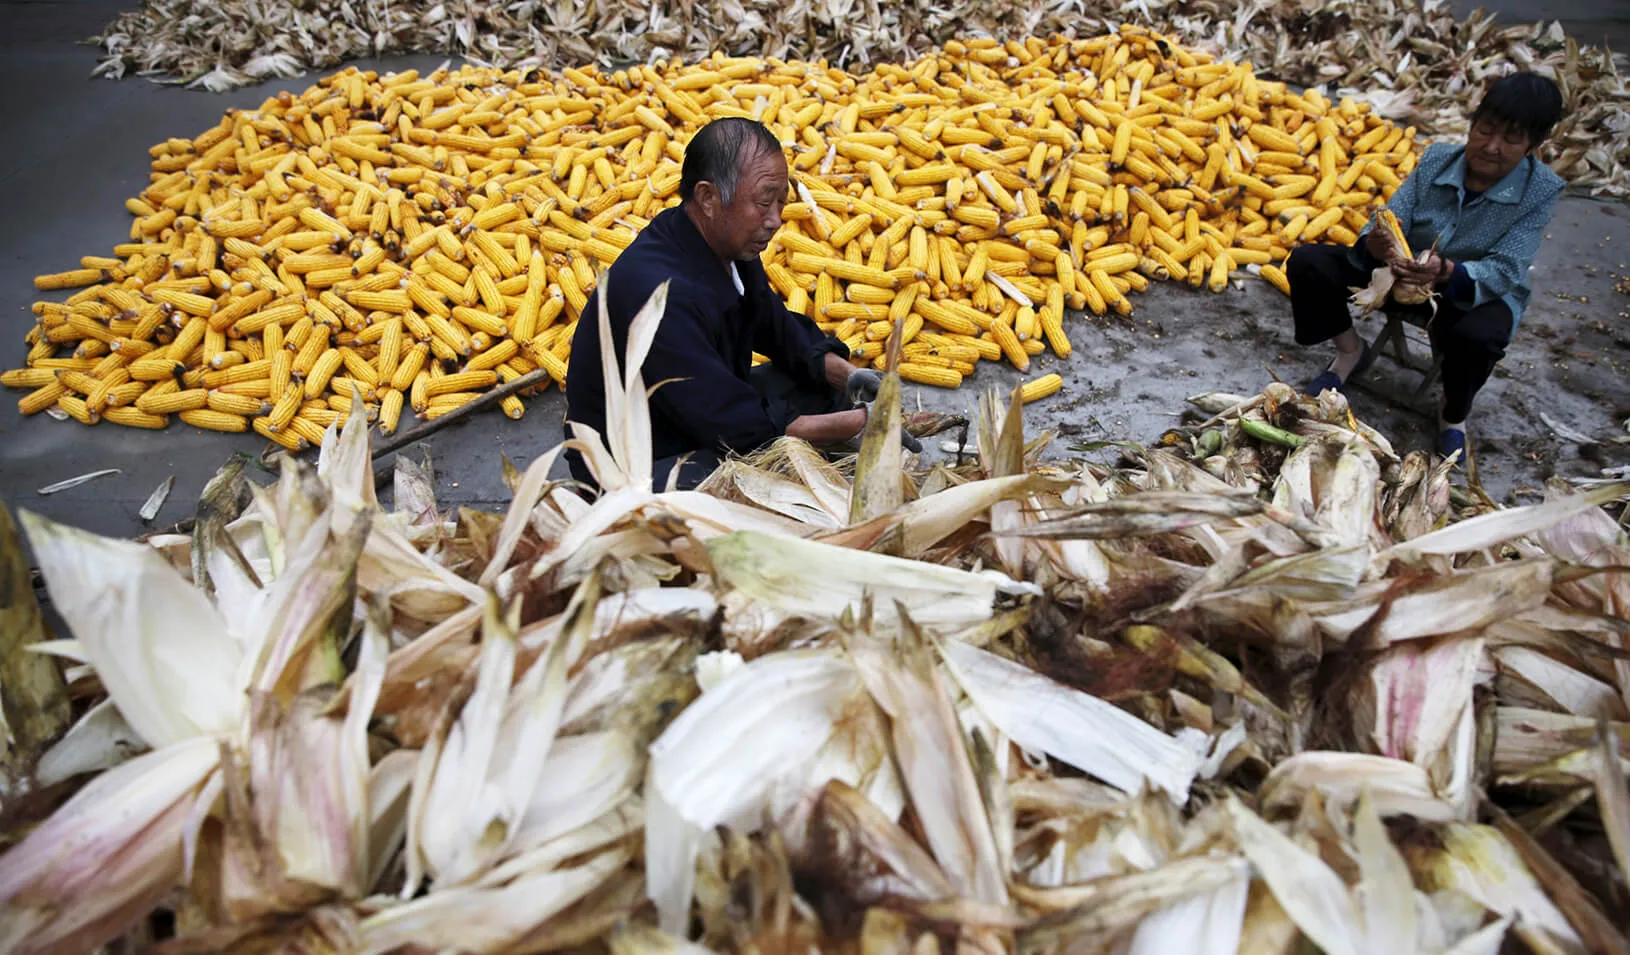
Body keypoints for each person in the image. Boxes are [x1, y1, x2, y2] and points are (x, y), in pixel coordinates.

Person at [564, 117, 914, 490]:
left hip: (694, 409)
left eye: (781, 203)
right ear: (708, 198)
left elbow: (773, 325)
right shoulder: (661, 296)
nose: (775, 221)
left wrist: (848, 375)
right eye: (764, 203)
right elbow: (728, 421)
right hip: (635, 460)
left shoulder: (724, 246)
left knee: (825, 386)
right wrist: (862, 423)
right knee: (742, 479)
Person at [1285, 71, 1565, 460]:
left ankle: (1452, 414)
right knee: (1307, 263)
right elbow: (1390, 215)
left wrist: (1447, 271)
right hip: (1398, 273)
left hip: (1465, 290)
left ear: (1533, 145)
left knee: (1482, 337)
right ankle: (1350, 352)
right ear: (1473, 123)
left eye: (1511, 139)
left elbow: (1508, 267)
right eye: (1486, 129)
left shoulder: (1541, 191)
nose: (1491, 146)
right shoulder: (1436, 159)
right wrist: (1379, 243)